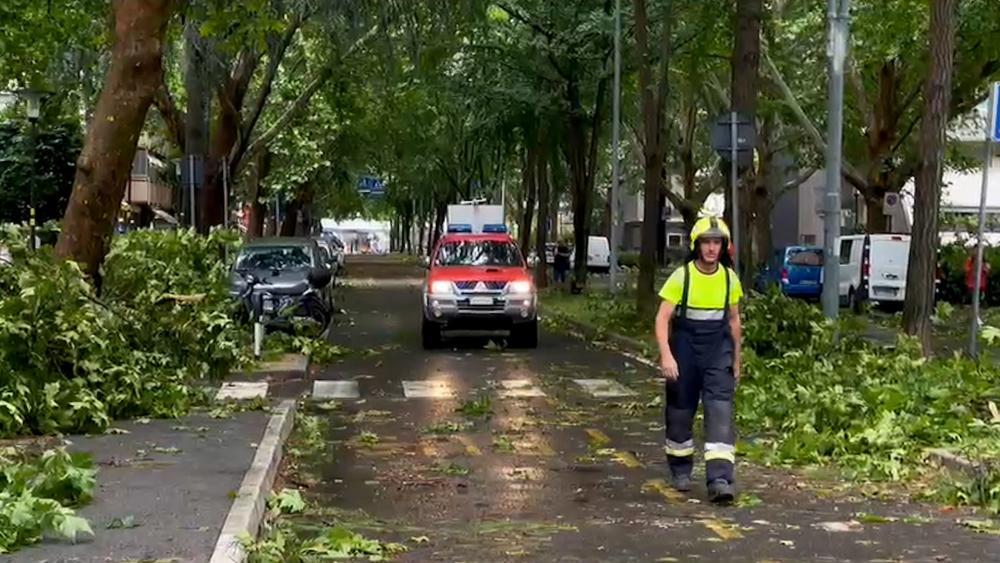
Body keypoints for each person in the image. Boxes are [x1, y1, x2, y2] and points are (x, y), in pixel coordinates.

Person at [653, 216, 743, 504]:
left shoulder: (730, 279)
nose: (711, 249)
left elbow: (734, 321)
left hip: (718, 352)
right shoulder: (683, 276)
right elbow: (662, 318)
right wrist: (666, 355)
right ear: (697, 246)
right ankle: (680, 470)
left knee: (720, 413)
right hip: (685, 351)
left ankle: (719, 480)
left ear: (724, 247)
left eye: (717, 243)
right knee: (680, 413)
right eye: (706, 242)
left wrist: (737, 360)